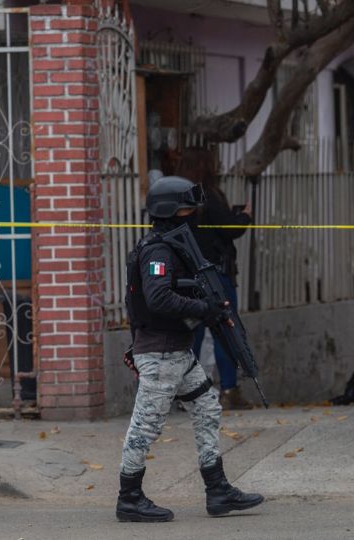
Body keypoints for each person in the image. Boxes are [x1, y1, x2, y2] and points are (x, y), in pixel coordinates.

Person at [117, 175, 264, 522]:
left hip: (178, 353)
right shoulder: (157, 250)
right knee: (145, 426)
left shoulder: (173, 244)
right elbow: (158, 297)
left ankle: (218, 490)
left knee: (207, 408)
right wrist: (203, 308)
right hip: (160, 353)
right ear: (171, 210)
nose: (193, 212)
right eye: (187, 206)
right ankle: (129, 498)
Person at [176, 147, 254, 410]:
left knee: (191, 336)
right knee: (225, 333)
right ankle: (229, 390)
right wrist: (245, 216)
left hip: (188, 278)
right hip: (216, 276)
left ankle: (187, 393)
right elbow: (229, 228)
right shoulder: (208, 195)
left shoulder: (179, 198)